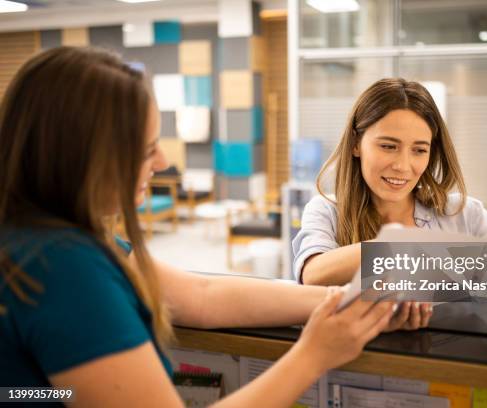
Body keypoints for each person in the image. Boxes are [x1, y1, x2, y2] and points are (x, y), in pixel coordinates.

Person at [0, 48, 432, 407]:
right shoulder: (62, 267)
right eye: (147, 148)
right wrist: (314, 354)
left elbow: (202, 296)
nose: (162, 163)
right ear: (84, 156)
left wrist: (351, 306)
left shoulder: (58, 239)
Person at [293, 78, 487, 302]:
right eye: (388, 146)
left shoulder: (464, 214)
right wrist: (399, 245)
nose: (403, 165)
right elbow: (313, 274)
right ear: (356, 144)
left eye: (419, 150)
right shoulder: (327, 210)